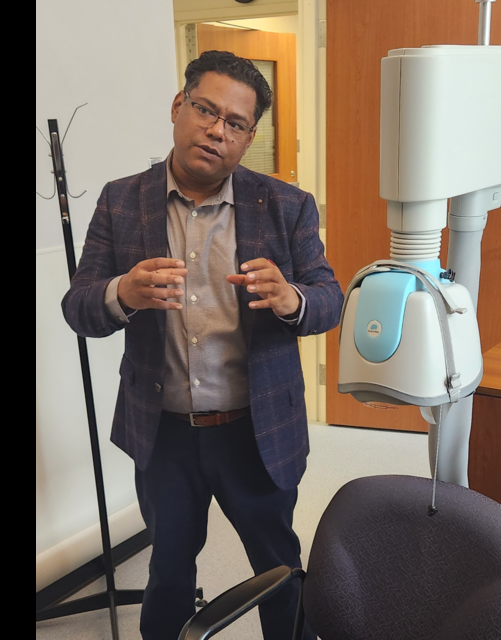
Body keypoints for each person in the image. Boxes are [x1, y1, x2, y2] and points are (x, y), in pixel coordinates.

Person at [62, 51, 344, 640]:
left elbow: (329, 298)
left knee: (280, 570)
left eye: (235, 123)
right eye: (205, 110)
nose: (217, 130)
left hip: (256, 429)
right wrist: (123, 291)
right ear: (178, 106)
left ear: (249, 138)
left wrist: (292, 298)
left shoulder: (287, 206)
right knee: (168, 570)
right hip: (162, 432)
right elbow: (79, 307)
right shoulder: (120, 201)